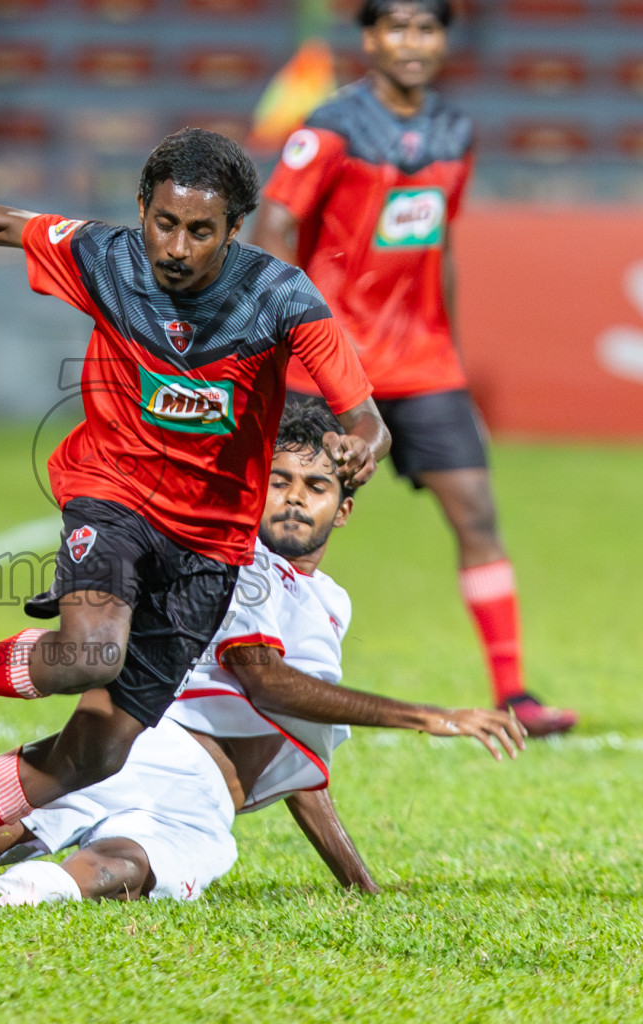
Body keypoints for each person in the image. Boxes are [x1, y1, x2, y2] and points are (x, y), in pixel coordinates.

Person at [0, 129, 391, 865]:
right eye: (165, 223)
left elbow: (364, 418)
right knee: (91, 651)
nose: (177, 246)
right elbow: (3, 224)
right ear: (142, 210)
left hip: (212, 542)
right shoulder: (107, 258)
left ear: (234, 231)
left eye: (202, 232)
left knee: (98, 751)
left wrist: (364, 444)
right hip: (113, 494)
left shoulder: (281, 297)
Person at [0, 404, 524, 905]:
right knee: (126, 868)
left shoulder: (324, 598)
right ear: (254, 490)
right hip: (171, 764)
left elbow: (298, 761)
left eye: (316, 488)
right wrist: (429, 716)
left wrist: (358, 890)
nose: (295, 502)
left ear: (344, 508)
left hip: (156, 762)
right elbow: (264, 682)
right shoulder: (243, 565)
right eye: (281, 484)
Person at [250, 0, 577, 736]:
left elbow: (442, 244)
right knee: (287, 519)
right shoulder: (331, 127)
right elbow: (274, 222)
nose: (411, 42)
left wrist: (451, 349)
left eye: (425, 29)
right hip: (330, 365)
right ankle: (250, 658)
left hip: (426, 367)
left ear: (443, 41)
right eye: (396, 27)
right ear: (370, 38)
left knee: (477, 513)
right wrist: (281, 336)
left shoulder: (455, 132)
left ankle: (515, 694)